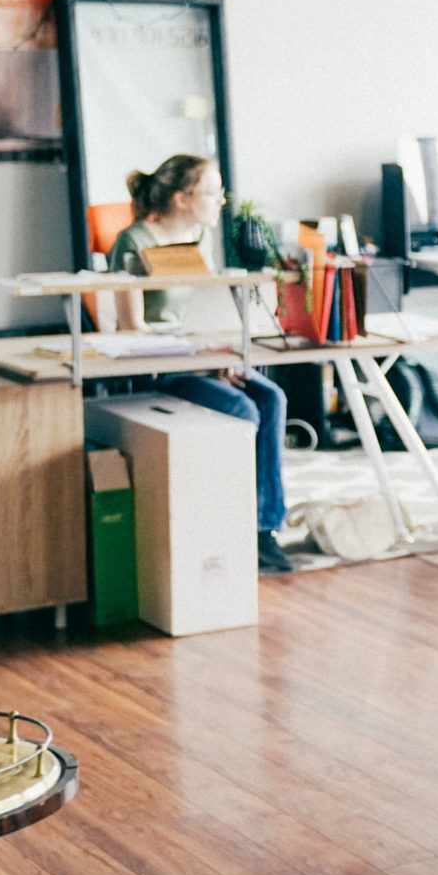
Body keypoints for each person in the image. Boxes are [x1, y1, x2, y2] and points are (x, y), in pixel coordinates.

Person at [109, 155, 294, 574]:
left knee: (272, 398)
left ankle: (263, 529)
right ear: (181, 198)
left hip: (198, 361)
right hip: (158, 369)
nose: (221, 201)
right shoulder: (133, 241)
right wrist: (195, 356)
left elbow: (207, 314)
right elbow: (130, 327)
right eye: (212, 192)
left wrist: (217, 355)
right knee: (241, 410)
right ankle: (229, 526)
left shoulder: (198, 242)